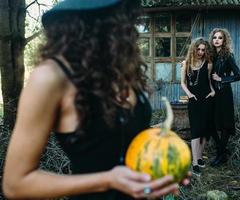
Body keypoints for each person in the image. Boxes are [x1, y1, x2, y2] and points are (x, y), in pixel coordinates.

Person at [2, 0, 189, 199]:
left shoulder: (120, 67)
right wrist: (108, 180)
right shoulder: (50, 77)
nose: (132, 24)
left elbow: (122, 140)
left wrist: (166, 160)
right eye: (123, 14)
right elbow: (15, 184)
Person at [181, 38, 215, 173]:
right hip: (194, 100)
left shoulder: (208, 64)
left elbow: (209, 80)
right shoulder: (186, 64)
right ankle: (194, 162)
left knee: (206, 130)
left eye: (203, 50)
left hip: (207, 99)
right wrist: (189, 94)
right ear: (194, 49)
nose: (200, 52)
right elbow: (182, 82)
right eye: (198, 49)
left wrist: (212, 91)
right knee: (196, 130)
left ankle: (200, 157)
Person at [209, 28, 240, 167]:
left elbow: (238, 75)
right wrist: (185, 63)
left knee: (224, 125)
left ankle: (220, 155)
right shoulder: (209, 55)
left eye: (220, 38)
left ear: (224, 40)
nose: (217, 40)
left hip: (224, 93)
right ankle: (222, 151)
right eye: (215, 37)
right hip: (212, 94)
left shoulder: (228, 56)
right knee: (211, 124)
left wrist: (222, 78)